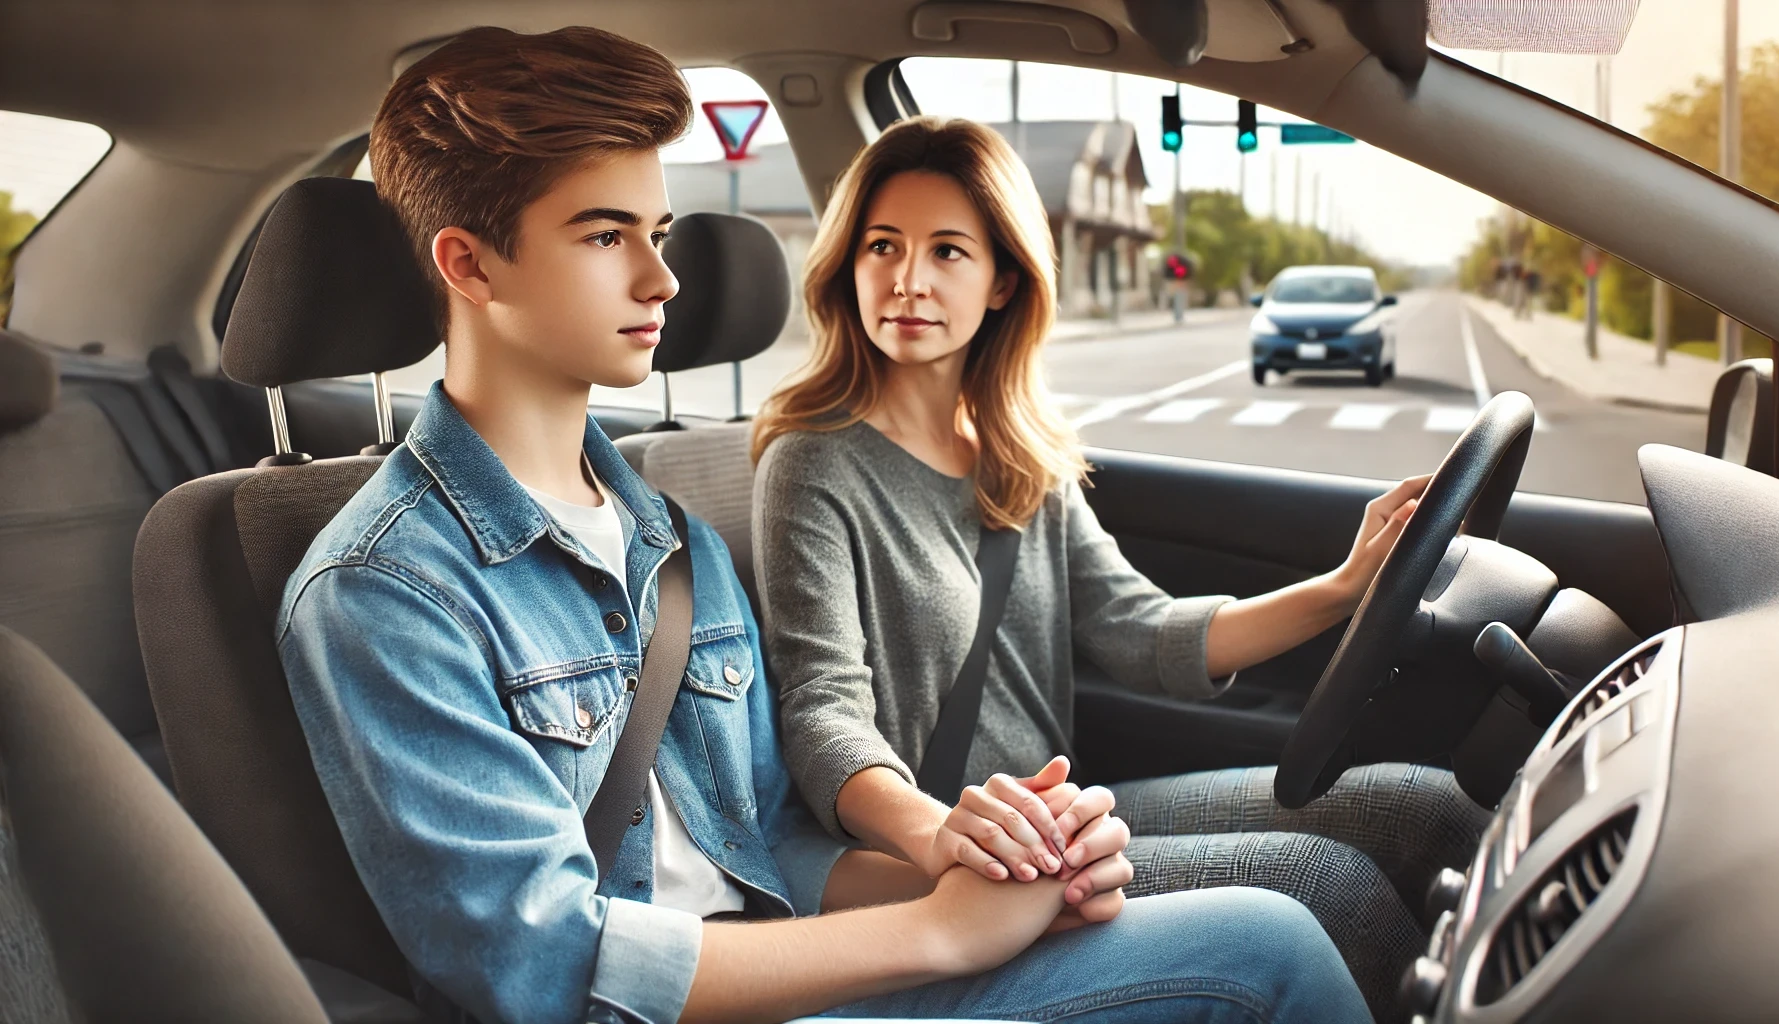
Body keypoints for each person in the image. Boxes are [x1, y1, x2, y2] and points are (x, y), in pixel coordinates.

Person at [276, 26, 1373, 1024]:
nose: (662, 276)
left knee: (1277, 924)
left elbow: (770, 842)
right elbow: (546, 963)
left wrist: (966, 868)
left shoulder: (672, 541)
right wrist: (934, 928)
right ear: (467, 263)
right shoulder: (385, 591)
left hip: (798, 958)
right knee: (1271, 943)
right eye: (607, 235)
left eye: (656, 231)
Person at [751, 116, 1490, 1022]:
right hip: (949, 850)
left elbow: (1140, 631)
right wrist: (942, 836)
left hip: (1058, 819)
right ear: (847, 267)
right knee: (1323, 884)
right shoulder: (813, 462)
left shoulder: (1021, 457)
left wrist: (1343, 589)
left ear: (1003, 282)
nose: (908, 280)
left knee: (1427, 811)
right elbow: (823, 713)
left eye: (948, 251)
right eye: (882, 247)